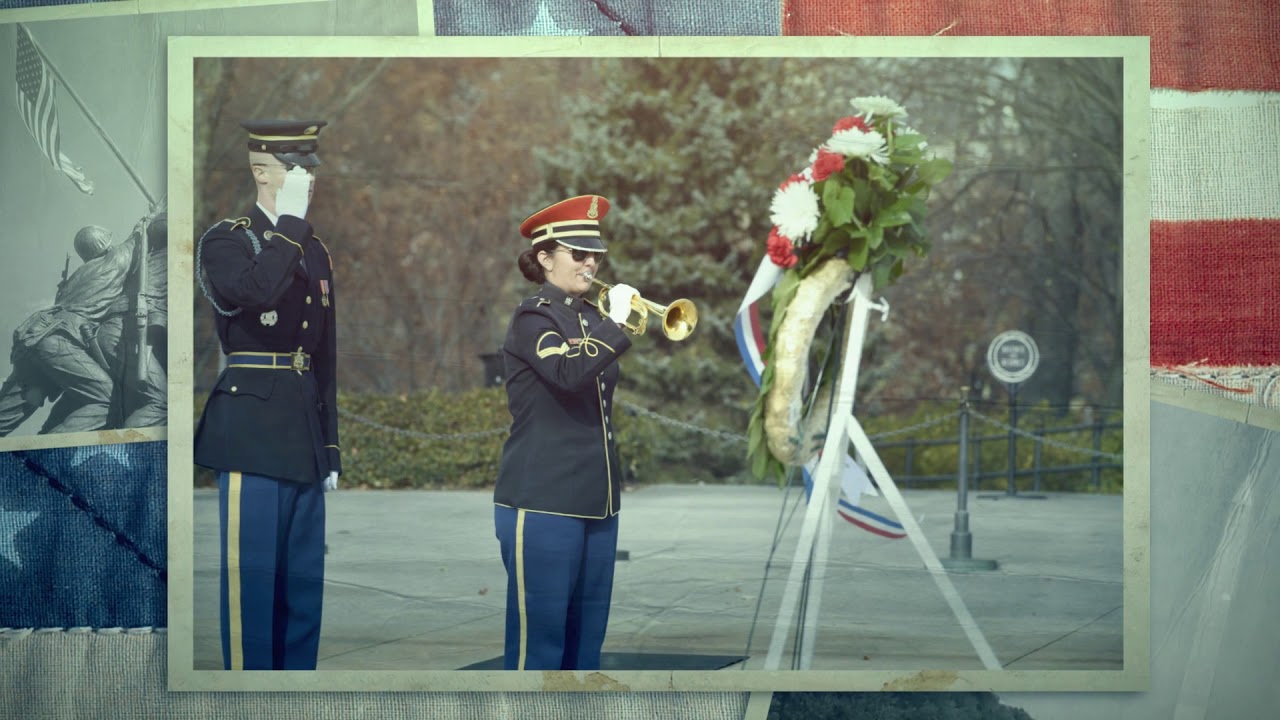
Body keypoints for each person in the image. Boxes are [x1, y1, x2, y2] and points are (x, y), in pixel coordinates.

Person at [193, 119, 340, 671]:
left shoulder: (313, 247)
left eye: (309, 169)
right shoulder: (227, 239)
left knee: (303, 595)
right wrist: (292, 226)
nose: (308, 179)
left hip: (301, 432)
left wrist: (330, 447)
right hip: (249, 432)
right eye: (295, 169)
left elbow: (324, 355)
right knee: (252, 592)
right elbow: (253, 292)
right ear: (261, 171)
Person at [492, 194, 640, 670]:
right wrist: (615, 325)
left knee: (584, 650)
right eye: (579, 253)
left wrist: (608, 323)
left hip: (597, 501)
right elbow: (566, 374)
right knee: (539, 649)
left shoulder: (590, 317)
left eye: (595, 253)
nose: (591, 262)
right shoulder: (534, 316)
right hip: (543, 500)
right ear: (544, 257)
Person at [0, 222, 140, 437]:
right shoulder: (114, 260)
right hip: (57, 340)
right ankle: (48, 454)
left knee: (6, 415)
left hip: (32, 337)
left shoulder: (78, 275)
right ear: (106, 244)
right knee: (107, 399)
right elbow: (141, 232)